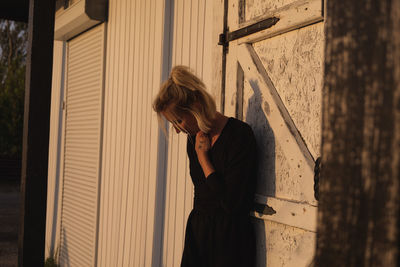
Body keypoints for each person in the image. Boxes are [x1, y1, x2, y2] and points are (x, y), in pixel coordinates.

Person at [153, 65, 257, 267]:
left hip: (230, 245)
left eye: (179, 121)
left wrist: (204, 159)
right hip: (199, 237)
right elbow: (203, 195)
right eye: (173, 124)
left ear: (196, 104)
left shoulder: (239, 135)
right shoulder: (194, 139)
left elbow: (232, 204)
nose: (177, 130)